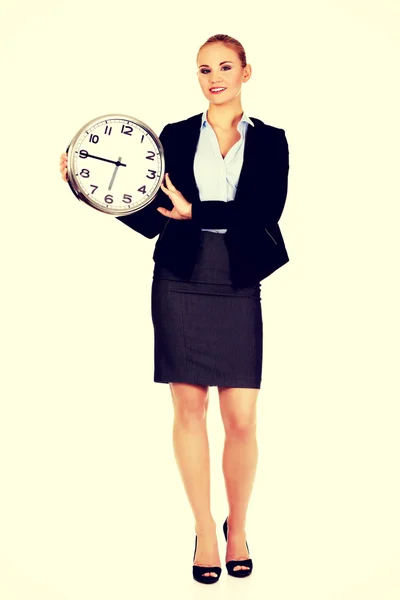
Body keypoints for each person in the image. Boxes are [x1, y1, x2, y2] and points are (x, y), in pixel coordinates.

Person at [59, 33, 290, 584]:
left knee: (241, 418)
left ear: (245, 72)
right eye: (204, 68)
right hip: (180, 279)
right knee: (189, 412)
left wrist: (198, 208)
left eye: (225, 66)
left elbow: (264, 211)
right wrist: (83, 186)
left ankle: (240, 528)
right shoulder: (178, 135)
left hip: (237, 278)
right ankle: (206, 531)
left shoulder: (273, 141)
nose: (214, 77)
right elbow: (150, 215)